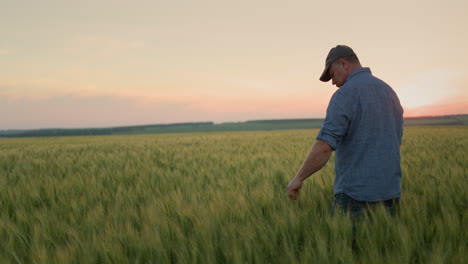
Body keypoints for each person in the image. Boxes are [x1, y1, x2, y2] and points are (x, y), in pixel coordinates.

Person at [287, 45, 403, 218]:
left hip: (355, 197)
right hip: (391, 196)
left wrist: (298, 178)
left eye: (332, 74)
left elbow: (325, 146)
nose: (333, 82)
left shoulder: (345, 95)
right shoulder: (389, 92)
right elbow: (395, 139)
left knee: (346, 245)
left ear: (343, 64)